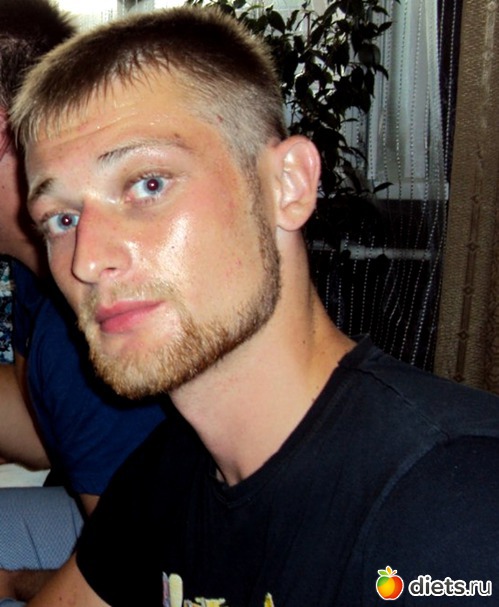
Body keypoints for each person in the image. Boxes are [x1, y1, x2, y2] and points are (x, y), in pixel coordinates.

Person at [11, 5, 499, 606]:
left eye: (148, 184)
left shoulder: (454, 503)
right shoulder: (167, 472)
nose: (86, 260)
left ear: (287, 185)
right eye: (61, 220)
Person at [0, 1, 166, 604]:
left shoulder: (86, 303)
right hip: (112, 524)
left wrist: (13, 583)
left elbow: (148, 583)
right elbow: (44, 425)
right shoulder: (35, 268)